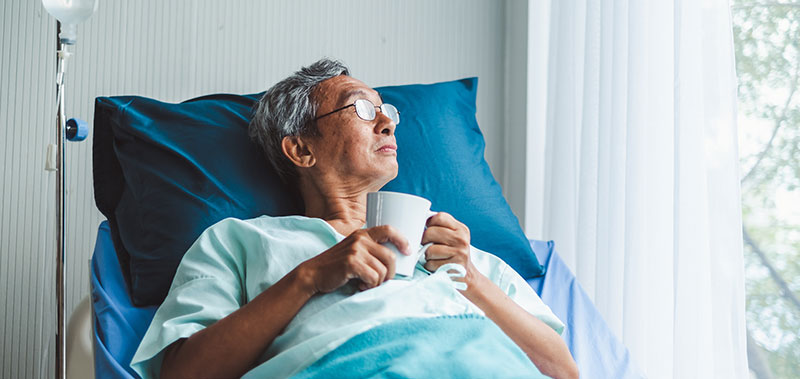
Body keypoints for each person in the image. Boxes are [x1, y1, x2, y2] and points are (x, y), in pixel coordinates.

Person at [131, 59, 579, 379]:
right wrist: (309, 277)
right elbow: (184, 373)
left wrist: (472, 280)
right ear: (301, 149)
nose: (387, 122)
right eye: (363, 109)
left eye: (387, 112)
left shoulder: (454, 250)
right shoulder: (241, 242)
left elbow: (562, 370)